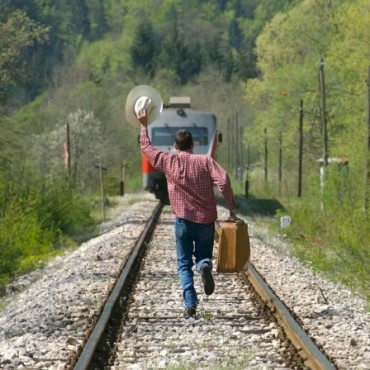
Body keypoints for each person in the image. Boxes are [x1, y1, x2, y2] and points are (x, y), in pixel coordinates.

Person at [136, 107, 237, 319]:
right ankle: (205, 266)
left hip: (182, 220)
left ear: (175, 145)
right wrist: (231, 207)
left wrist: (143, 124)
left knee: (183, 264)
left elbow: (146, 147)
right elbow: (224, 180)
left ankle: (190, 304)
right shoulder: (205, 161)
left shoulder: (168, 160)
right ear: (193, 145)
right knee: (203, 256)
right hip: (206, 221)